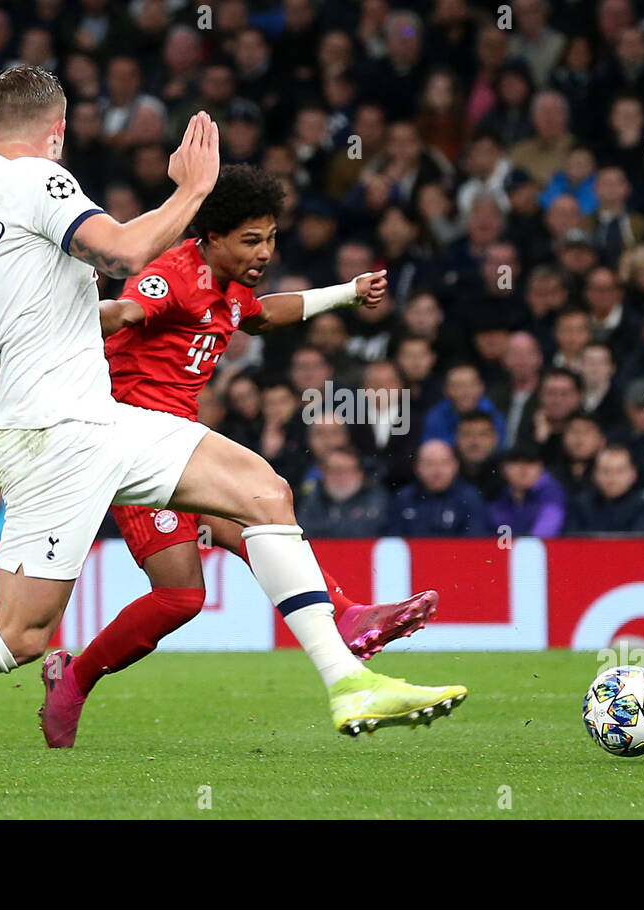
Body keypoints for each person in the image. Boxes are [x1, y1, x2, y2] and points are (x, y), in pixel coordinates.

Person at [0, 66, 465, 796]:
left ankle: (347, 681)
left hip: (93, 421)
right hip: (55, 433)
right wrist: (193, 190)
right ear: (60, 132)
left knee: (263, 492)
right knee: (16, 637)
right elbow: (122, 254)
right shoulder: (42, 184)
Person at [45, 165, 438, 747]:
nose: (265, 251)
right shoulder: (173, 274)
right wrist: (51, 327)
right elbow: (127, 312)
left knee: (260, 512)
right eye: (251, 240)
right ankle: (73, 679)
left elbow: (263, 316)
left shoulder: (231, 287)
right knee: (181, 596)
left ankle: (348, 616)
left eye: (272, 236)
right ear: (212, 237)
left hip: (179, 446)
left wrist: (346, 294)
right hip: (129, 445)